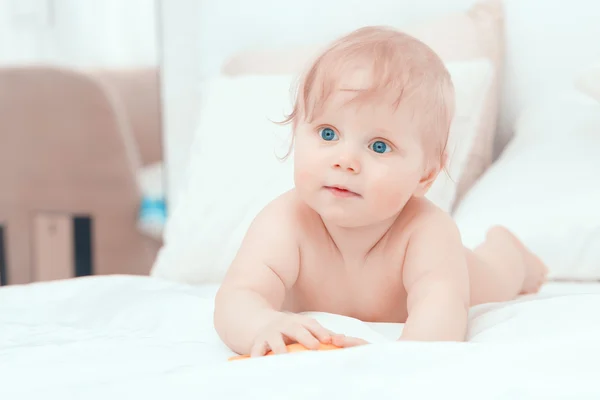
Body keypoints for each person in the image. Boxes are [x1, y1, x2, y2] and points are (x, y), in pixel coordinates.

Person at [213, 26, 548, 357]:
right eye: (328, 134)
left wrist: (398, 358)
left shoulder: (426, 231)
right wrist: (260, 325)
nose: (345, 161)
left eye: (378, 146)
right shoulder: (284, 221)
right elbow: (239, 295)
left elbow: (442, 308)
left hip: (469, 273)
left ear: (426, 174)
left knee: (500, 275)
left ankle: (511, 250)